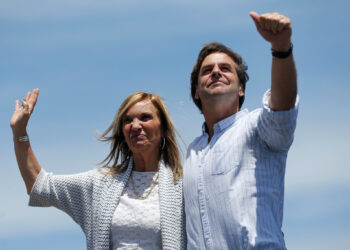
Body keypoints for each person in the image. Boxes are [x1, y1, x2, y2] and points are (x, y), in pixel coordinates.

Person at [11, 90, 186, 249]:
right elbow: (40, 185)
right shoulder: (100, 184)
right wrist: (20, 132)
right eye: (127, 120)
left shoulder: (184, 186)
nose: (135, 125)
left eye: (145, 117)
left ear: (163, 128)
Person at [183, 11, 298, 249]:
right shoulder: (190, 154)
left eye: (225, 69)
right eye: (207, 70)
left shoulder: (257, 127)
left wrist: (281, 48)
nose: (216, 72)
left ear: (241, 89)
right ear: (196, 91)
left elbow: (283, 105)